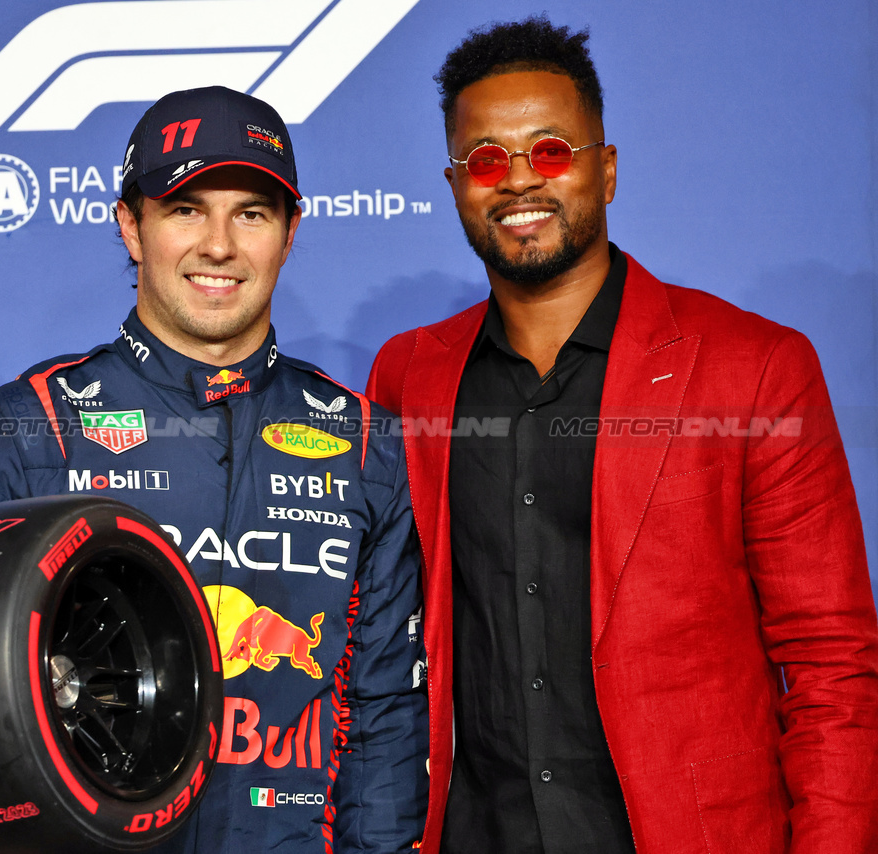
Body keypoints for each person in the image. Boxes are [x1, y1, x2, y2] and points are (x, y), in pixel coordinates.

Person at [367, 17, 878, 854]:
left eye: (553, 150)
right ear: (457, 185)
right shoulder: (408, 375)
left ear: (605, 170)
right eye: (488, 159)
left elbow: (832, 671)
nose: (520, 181)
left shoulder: (755, 368)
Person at [0, 86, 427, 853]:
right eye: (186, 208)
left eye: (253, 213)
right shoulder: (29, 426)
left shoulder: (369, 445)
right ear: (131, 227)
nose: (220, 246)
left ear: (290, 233)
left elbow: (385, 715)